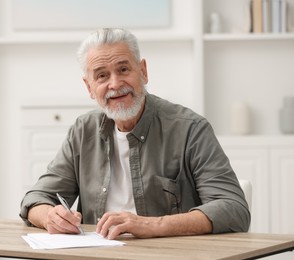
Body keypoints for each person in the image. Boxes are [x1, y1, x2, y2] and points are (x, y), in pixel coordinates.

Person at [20, 28, 250, 239]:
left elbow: (233, 208)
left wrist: (150, 225)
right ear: (89, 87)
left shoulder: (190, 128)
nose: (115, 83)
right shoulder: (83, 130)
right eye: (101, 75)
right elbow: (35, 199)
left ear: (143, 71)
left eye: (123, 69)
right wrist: (50, 216)